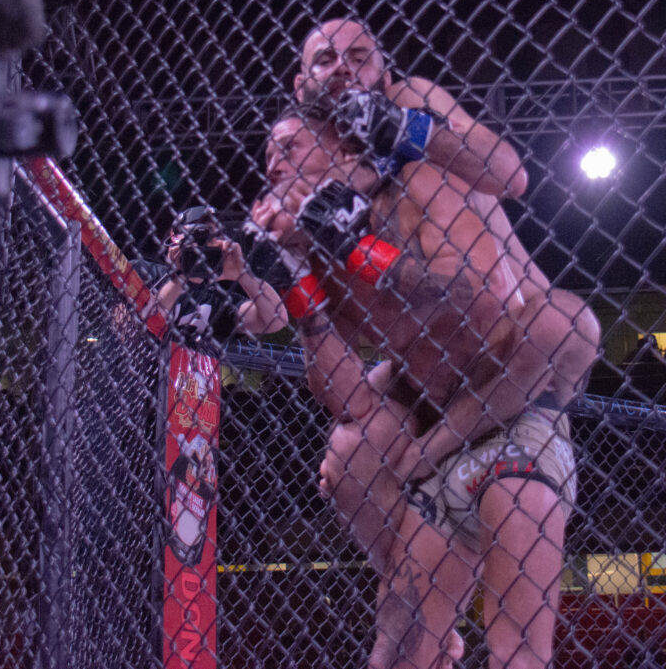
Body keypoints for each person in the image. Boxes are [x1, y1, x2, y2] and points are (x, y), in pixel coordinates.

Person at [253, 47, 600, 668]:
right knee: (351, 455)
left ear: (341, 144)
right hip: (433, 428)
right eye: (270, 154)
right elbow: (346, 397)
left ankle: (436, 455)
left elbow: (475, 298)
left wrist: (360, 246)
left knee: (564, 321)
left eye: (291, 148)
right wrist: (297, 282)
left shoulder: (423, 161)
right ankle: (431, 614)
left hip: (508, 406)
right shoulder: (313, 230)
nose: (275, 165)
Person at [143, 204, 288, 343]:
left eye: (216, 235)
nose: (207, 241)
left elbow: (276, 320)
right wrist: (178, 278)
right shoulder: (144, 270)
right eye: (199, 232)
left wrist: (244, 274)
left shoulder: (216, 299)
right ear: (175, 235)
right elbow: (139, 323)